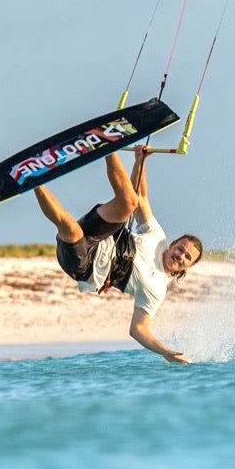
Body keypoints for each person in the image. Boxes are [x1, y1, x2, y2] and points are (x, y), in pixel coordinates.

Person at [33, 145, 203, 363]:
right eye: (181, 249)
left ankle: (34, 182)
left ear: (187, 268)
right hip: (100, 237)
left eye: (187, 258)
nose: (181, 256)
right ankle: (107, 144)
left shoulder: (157, 291)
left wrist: (164, 351)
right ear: (174, 243)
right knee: (129, 202)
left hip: (86, 267)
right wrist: (140, 161)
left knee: (69, 227)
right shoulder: (157, 236)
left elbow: (138, 329)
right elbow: (140, 196)